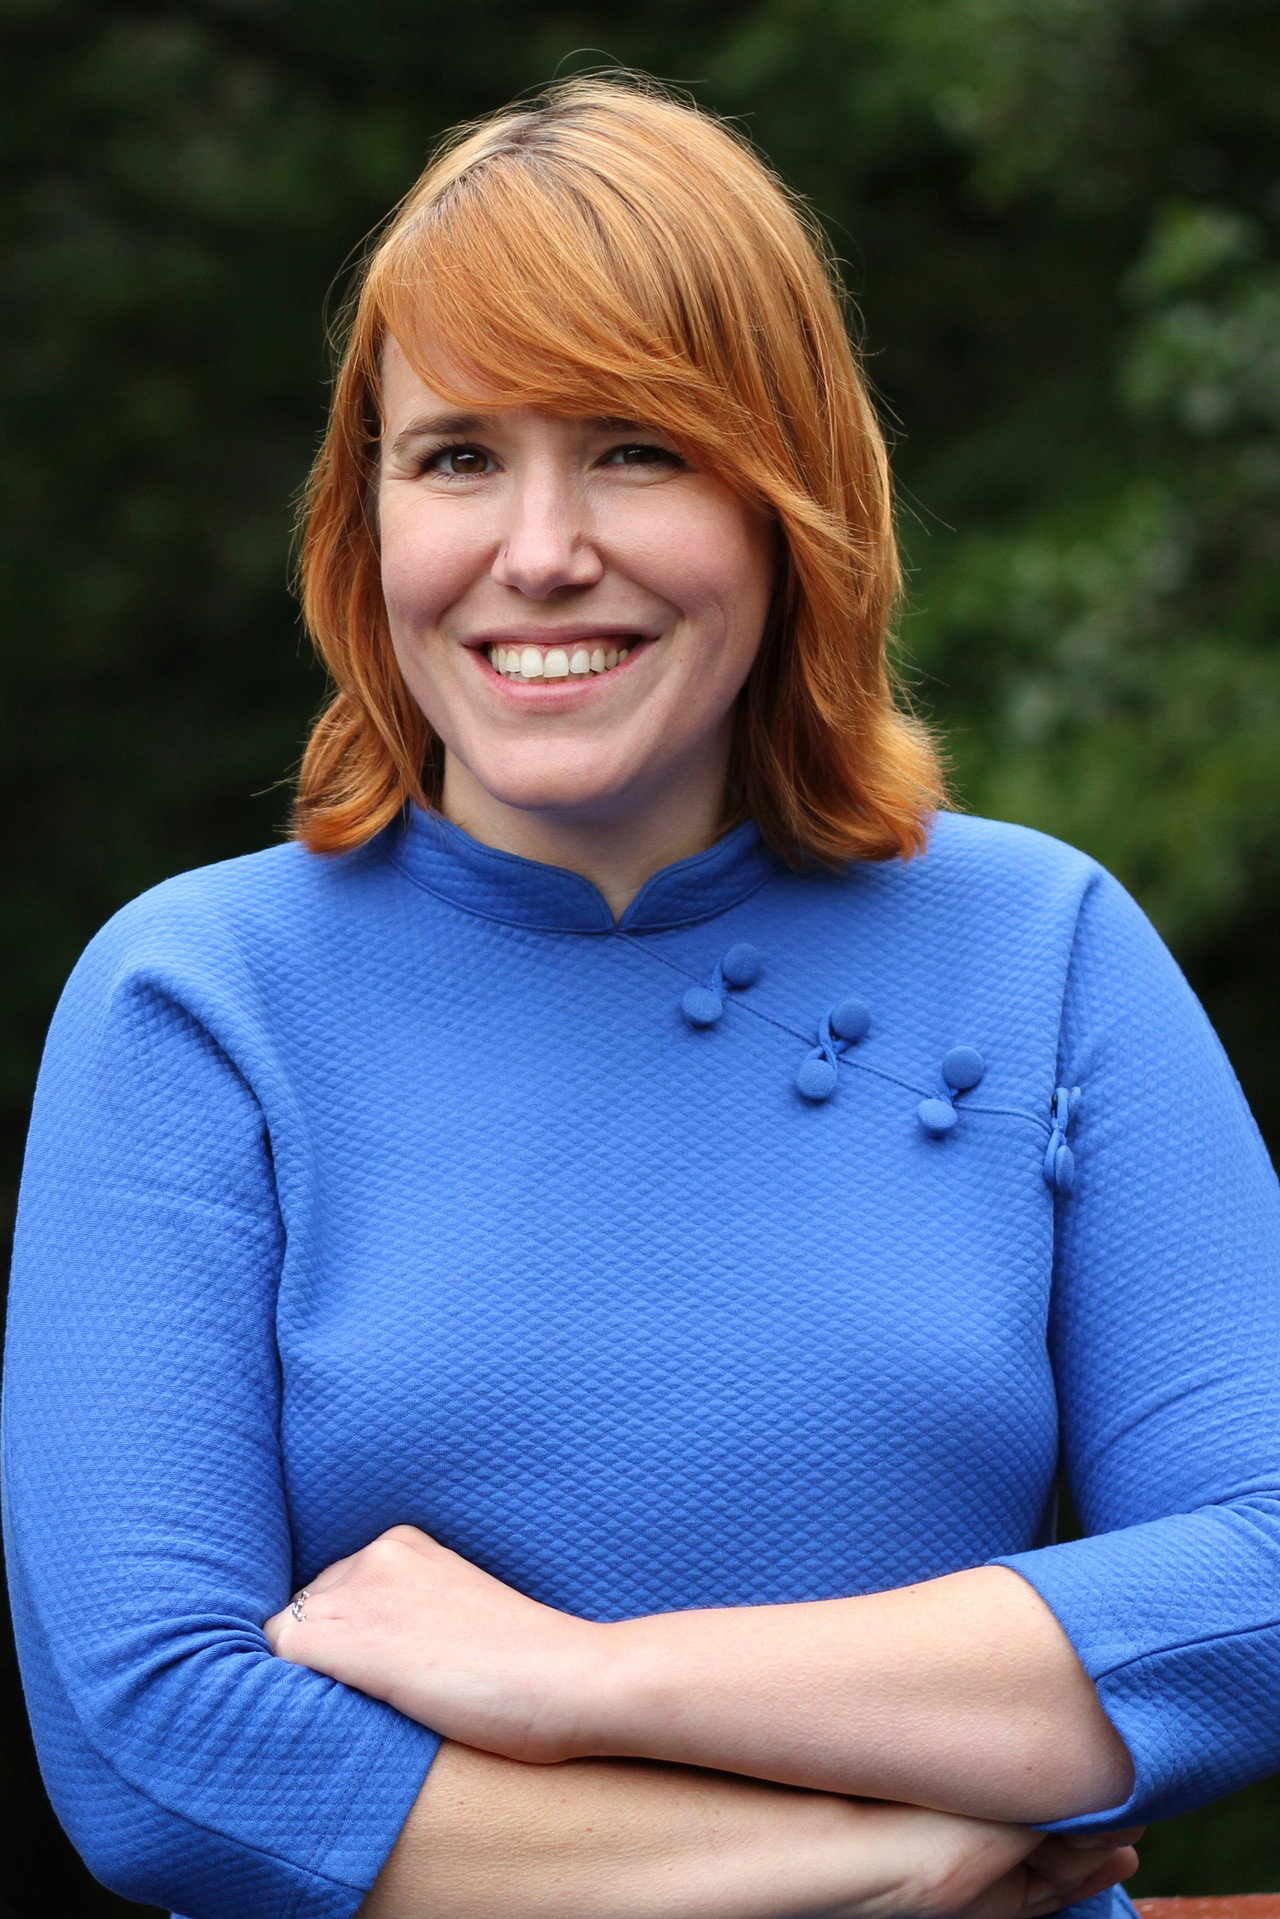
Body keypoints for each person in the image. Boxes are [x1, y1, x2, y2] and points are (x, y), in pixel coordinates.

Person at [4, 74, 1279, 1919]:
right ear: (368, 519)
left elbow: (1263, 1583)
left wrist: (594, 1681)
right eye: (458, 457)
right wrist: (862, 1868)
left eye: (635, 450)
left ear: (788, 500)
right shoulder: (197, 1002)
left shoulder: (1045, 943)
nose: (537, 553)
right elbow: (160, 1751)